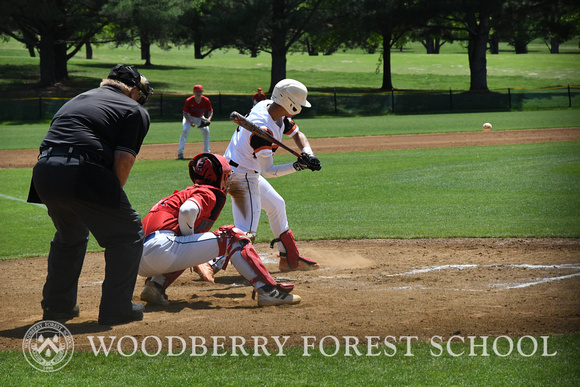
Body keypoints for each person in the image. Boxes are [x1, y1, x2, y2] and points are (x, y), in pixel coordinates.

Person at [27, 64, 154, 326]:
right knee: (128, 234)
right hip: (81, 169)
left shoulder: (77, 99)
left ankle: (57, 307)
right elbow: (124, 160)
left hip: (43, 171)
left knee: (70, 235)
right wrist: (111, 198)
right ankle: (116, 309)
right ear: (132, 90)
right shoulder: (134, 109)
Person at [138, 153, 300, 307]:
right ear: (218, 176)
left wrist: (190, 248)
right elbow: (187, 211)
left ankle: (155, 287)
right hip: (160, 249)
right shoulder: (207, 192)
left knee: (183, 242)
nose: (228, 180)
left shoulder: (179, 195)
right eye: (226, 176)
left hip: (139, 259)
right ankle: (267, 291)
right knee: (233, 236)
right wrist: (195, 255)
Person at [223, 79, 321, 273]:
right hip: (241, 175)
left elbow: (297, 135)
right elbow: (268, 170)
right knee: (247, 230)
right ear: (290, 103)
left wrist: (308, 153)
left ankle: (288, 258)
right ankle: (210, 262)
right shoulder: (263, 129)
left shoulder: (272, 109)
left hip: (247, 170)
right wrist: (297, 166)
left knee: (276, 205)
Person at [178, 84, 213, 159]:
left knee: (206, 131)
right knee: (185, 130)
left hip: (200, 117)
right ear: (193, 92)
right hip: (189, 117)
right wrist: (190, 122)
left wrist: (209, 119)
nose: (198, 93)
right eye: (196, 91)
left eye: (200, 91)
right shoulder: (189, 101)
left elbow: (210, 111)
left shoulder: (205, 100)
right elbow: (184, 113)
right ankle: (180, 153)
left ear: (202, 92)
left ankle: (206, 152)